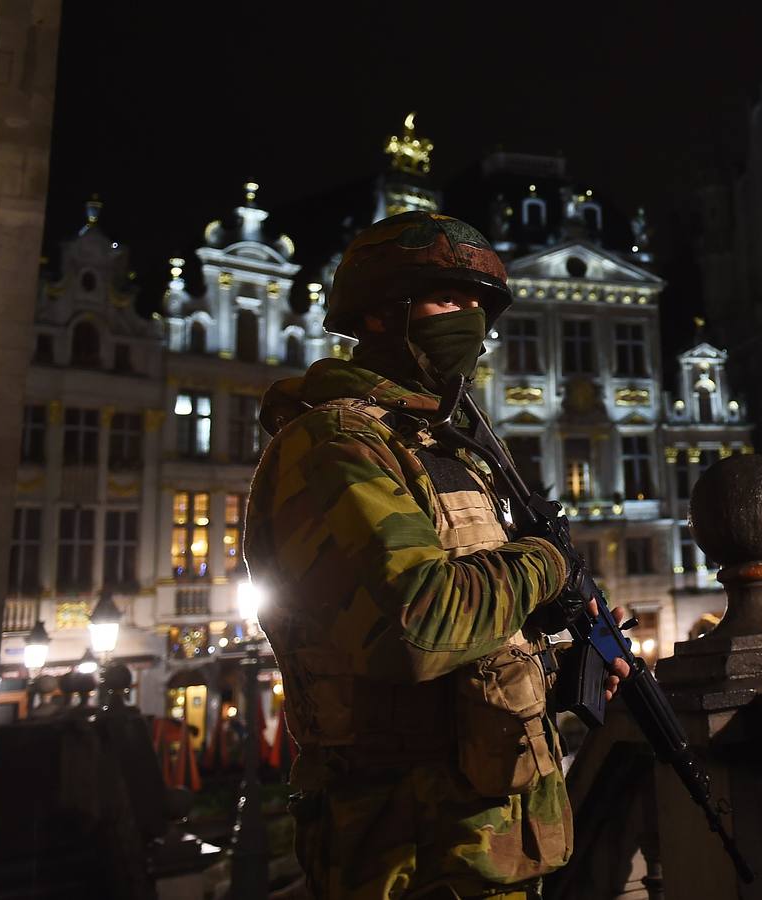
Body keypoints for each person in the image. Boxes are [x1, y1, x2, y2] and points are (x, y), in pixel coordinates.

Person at [243, 211, 627, 899]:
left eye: (480, 305)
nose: (471, 319)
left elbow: (477, 625)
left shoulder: (438, 446)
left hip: (489, 846)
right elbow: (418, 623)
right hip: (408, 857)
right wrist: (547, 564)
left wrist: (566, 644)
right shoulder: (335, 445)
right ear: (383, 313)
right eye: (450, 299)